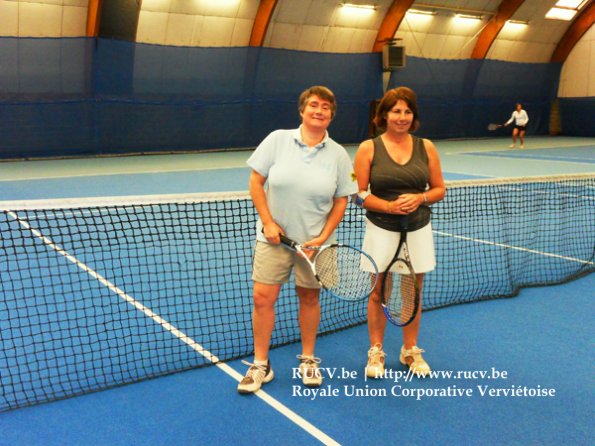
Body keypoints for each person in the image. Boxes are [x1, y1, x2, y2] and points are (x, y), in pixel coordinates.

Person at [238, 86, 358, 394]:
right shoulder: (277, 140)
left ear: (331, 115)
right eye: (314, 105)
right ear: (302, 110)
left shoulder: (339, 155)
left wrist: (322, 238)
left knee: (309, 298)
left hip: (316, 245)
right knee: (262, 298)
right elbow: (256, 181)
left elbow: (342, 199)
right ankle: (260, 364)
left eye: (326, 107)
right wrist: (268, 222)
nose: (319, 111)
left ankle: (307, 359)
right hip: (273, 240)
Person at [353, 86, 445, 379]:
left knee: (412, 292)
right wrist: (389, 207)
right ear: (384, 115)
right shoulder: (368, 148)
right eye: (396, 111)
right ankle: (376, 350)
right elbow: (357, 194)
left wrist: (420, 198)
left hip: (418, 228)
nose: (402, 117)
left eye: (407, 112)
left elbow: (439, 189)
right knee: (379, 291)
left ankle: (410, 349)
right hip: (381, 229)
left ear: (413, 116)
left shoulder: (426, 147)